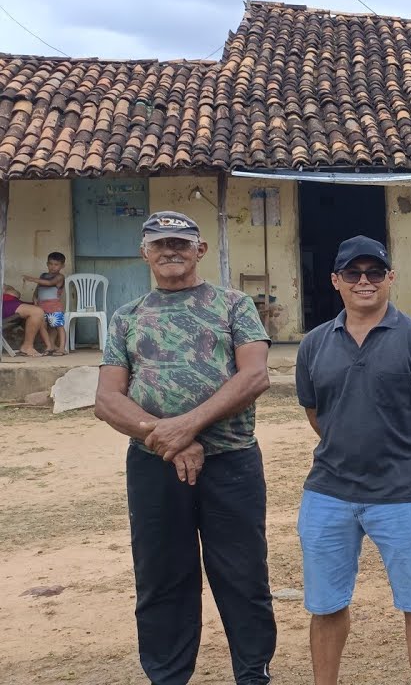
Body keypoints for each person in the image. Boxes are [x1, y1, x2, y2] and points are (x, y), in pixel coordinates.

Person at [92, 210, 276, 685]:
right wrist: (168, 440)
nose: (170, 250)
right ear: (145, 252)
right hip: (154, 467)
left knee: (243, 576)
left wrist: (186, 428)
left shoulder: (235, 306)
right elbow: (107, 399)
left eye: (180, 242)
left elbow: (254, 375)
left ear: (201, 250)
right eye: (159, 243)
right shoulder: (127, 317)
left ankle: (253, 674)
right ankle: (167, 676)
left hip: (231, 461)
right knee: (161, 578)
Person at [294, 235, 411, 685]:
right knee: (325, 604)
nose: (363, 281)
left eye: (373, 272)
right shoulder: (313, 345)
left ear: (390, 277)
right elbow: (317, 413)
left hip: (401, 494)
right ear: (336, 281)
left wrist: (409, 459)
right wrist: (350, 445)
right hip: (328, 492)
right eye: (352, 273)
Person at [23, 251, 68, 355]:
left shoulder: (60, 277)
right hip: (42, 307)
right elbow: (39, 288)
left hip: (54, 307)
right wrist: (34, 297)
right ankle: (50, 346)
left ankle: (62, 348)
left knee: (58, 326)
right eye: (51, 264)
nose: (53, 267)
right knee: (42, 326)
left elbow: (49, 283)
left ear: (62, 266)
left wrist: (32, 279)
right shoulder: (43, 275)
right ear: (47, 264)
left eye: (56, 265)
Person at [3, 284, 50, 357]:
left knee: (44, 310)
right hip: (4, 303)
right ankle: (27, 347)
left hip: (13, 301)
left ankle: (49, 345)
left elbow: (15, 293)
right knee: (36, 312)